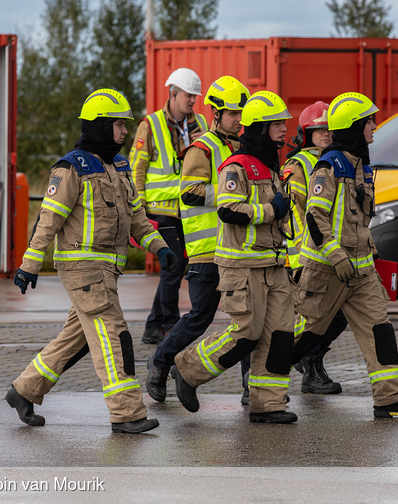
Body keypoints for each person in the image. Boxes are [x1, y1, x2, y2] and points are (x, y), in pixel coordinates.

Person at [6, 89, 178, 434]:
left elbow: (137, 220)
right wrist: (29, 265)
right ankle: (126, 413)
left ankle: (23, 390)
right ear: (100, 126)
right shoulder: (72, 168)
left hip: (105, 271)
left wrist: (160, 248)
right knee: (113, 336)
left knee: (78, 337)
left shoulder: (119, 166)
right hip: (83, 270)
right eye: (118, 125)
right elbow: (47, 222)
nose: (125, 132)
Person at [291, 91, 398, 418]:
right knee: (301, 335)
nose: (374, 126)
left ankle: (391, 398)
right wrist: (336, 255)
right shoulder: (329, 166)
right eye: (369, 121)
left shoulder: (362, 166)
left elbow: (359, 222)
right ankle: (257, 387)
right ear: (354, 126)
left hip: (359, 272)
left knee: (379, 328)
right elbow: (315, 217)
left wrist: (372, 256)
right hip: (326, 270)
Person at [171, 91, 298, 424]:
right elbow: (228, 210)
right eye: (276, 124)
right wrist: (271, 210)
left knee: (280, 336)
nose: (284, 129)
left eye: (284, 123)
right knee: (246, 333)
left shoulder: (272, 166)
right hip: (243, 266)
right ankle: (186, 370)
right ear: (259, 128)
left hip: (273, 264)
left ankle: (268, 404)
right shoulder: (237, 165)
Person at [145, 75, 251, 403]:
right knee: (199, 318)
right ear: (216, 114)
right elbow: (189, 192)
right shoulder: (202, 148)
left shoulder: (238, 149)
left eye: (241, 114)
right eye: (233, 114)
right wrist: (229, 193)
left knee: (249, 318)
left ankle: (253, 388)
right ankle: (161, 362)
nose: (238, 120)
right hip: (206, 252)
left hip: (236, 251)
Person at [129, 68, 209, 345]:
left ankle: (153, 326)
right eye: (188, 95)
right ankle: (169, 324)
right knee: (173, 267)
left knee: (177, 265)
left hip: (187, 211)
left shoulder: (199, 123)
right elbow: (136, 169)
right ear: (172, 93)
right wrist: (137, 209)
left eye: (195, 97)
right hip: (160, 209)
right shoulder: (149, 125)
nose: (192, 102)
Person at [282, 102, 347, 395]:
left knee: (339, 315)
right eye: (318, 129)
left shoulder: (338, 160)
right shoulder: (297, 166)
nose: (325, 134)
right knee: (312, 317)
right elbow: (295, 215)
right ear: (305, 133)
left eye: (328, 129)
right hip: (307, 256)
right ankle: (283, 369)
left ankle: (312, 361)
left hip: (334, 255)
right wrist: (297, 256)